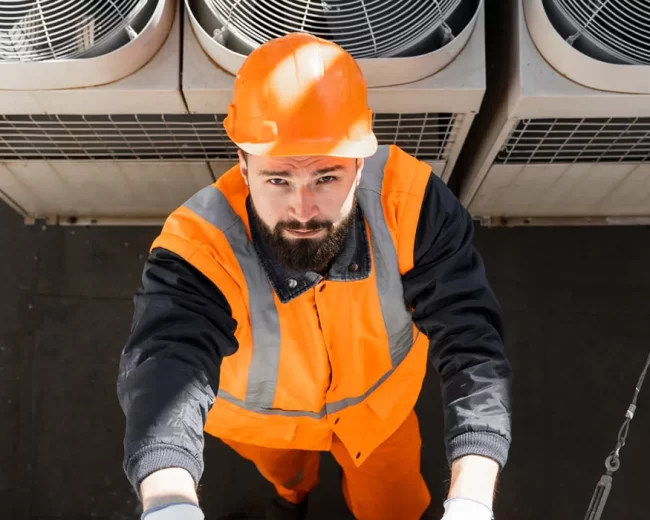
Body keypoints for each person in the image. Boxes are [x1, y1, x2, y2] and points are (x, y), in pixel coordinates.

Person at [116, 32, 512, 520]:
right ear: (243, 165)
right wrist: (166, 499)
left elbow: (473, 345)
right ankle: (292, 498)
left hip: (379, 418)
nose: (302, 211)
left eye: (326, 177)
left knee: (397, 508)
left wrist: (472, 497)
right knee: (288, 476)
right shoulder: (199, 249)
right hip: (265, 428)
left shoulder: (412, 205)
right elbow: (165, 363)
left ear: (359, 161)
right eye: (277, 180)